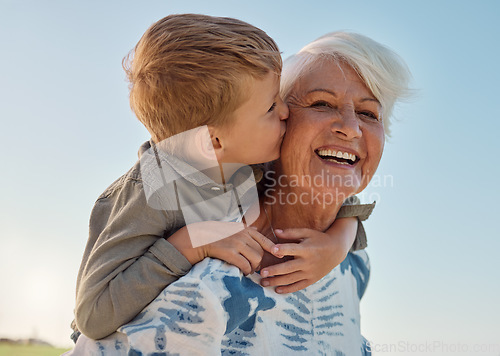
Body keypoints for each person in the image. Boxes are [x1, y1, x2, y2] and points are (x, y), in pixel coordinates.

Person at [66, 30, 411, 355]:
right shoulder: (177, 201)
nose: (351, 128)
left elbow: (340, 192)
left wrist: (338, 243)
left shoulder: (354, 265)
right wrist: (193, 242)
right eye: (320, 104)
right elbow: (95, 318)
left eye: (369, 113)